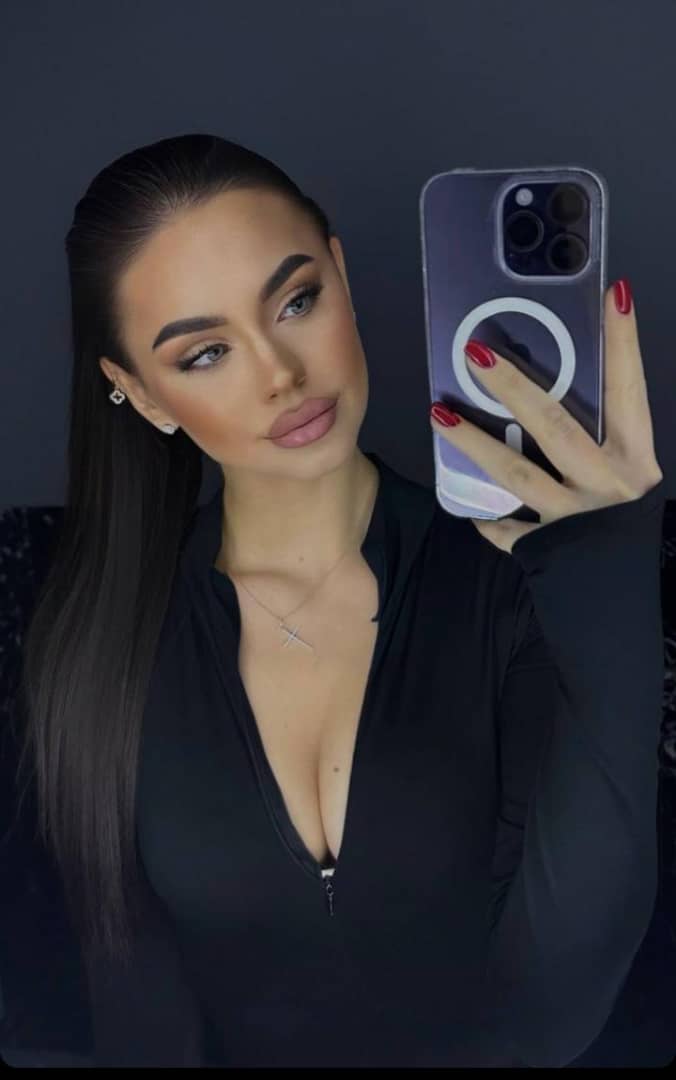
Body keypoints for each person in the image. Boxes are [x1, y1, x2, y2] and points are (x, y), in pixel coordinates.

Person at [10, 133, 666, 1068]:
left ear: (343, 275)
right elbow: (129, 1007)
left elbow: (554, 1002)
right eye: (205, 353)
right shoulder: (99, 644)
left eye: (297, 300)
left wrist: (611, 569)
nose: (280, 372)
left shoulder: (516, 586)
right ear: (140, 393)